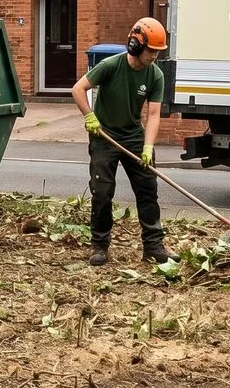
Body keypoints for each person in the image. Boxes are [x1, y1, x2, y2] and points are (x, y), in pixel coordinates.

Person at [71, 17, 174, 266]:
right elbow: (78, 89)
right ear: (136, 45)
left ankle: (153, 246)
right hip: (104, 136)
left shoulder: (155, 75)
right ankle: (99, 246)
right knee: (103, 192)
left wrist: (148, 146)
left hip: (134, 137)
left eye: (158, 53)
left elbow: (152, 114)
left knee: (148, 190)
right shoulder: (110, 65)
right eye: (151, 51)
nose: (154, 57)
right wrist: (90, 116)